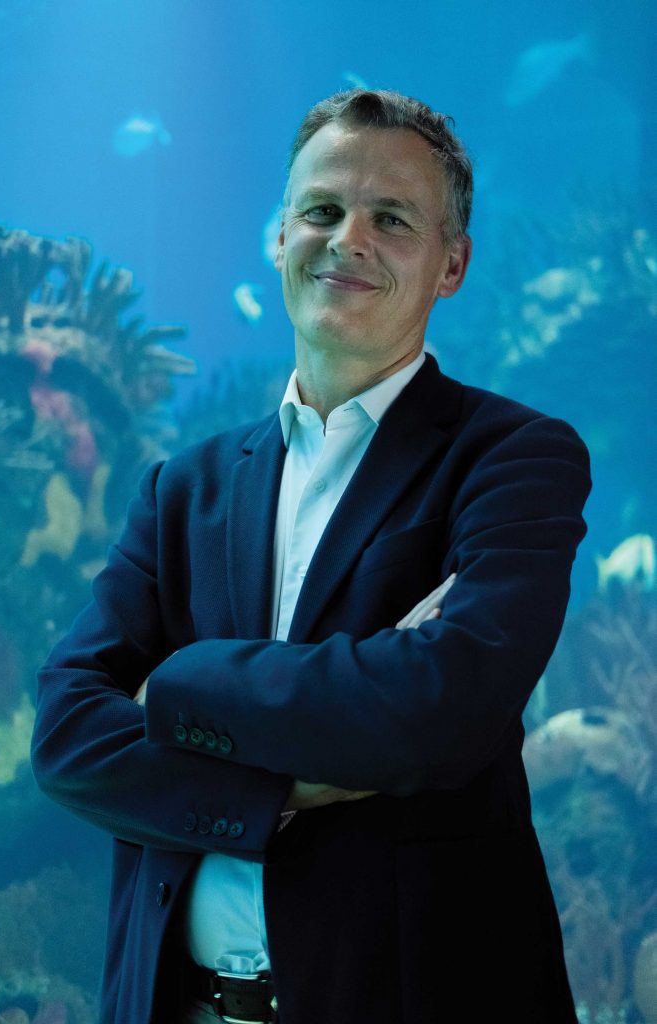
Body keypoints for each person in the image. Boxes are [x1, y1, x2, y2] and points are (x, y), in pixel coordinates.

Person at [31, 88, 592, 1024]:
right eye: (322, 211)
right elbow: (65, 734)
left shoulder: (513, 457)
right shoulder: (183, 487)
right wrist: (295, 775)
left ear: (450, 263)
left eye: (392, 218)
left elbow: (440, 710)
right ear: (276, 235)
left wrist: (179, 682)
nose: (348, 239)